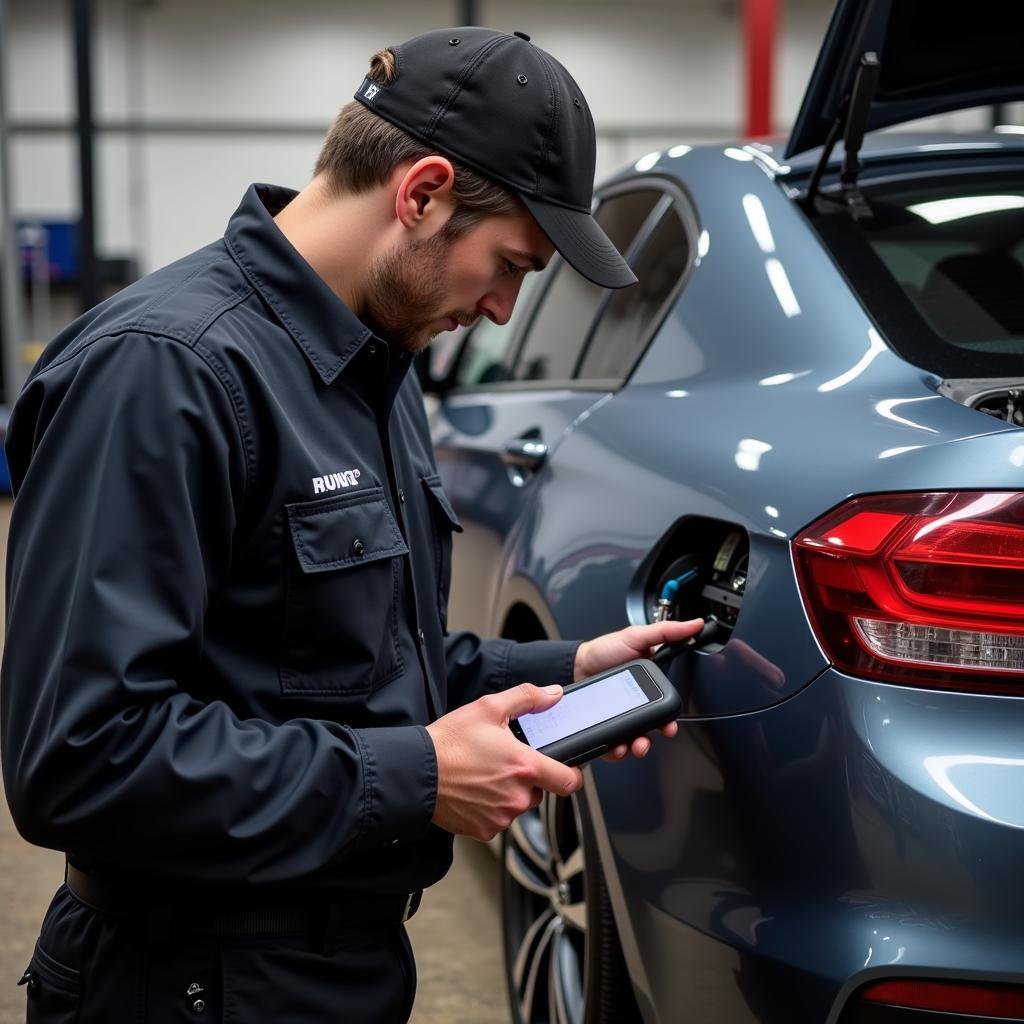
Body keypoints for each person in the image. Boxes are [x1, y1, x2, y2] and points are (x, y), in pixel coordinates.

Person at [1, 26, 701, 1023]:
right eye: (508, 263)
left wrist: (563, 671)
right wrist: (417, 776)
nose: (503, 309)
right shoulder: (166, 373)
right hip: (190, 984)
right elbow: (79, 759)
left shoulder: (376, 370)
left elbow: (355, 661)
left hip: (339, 968)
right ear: (420, 193)